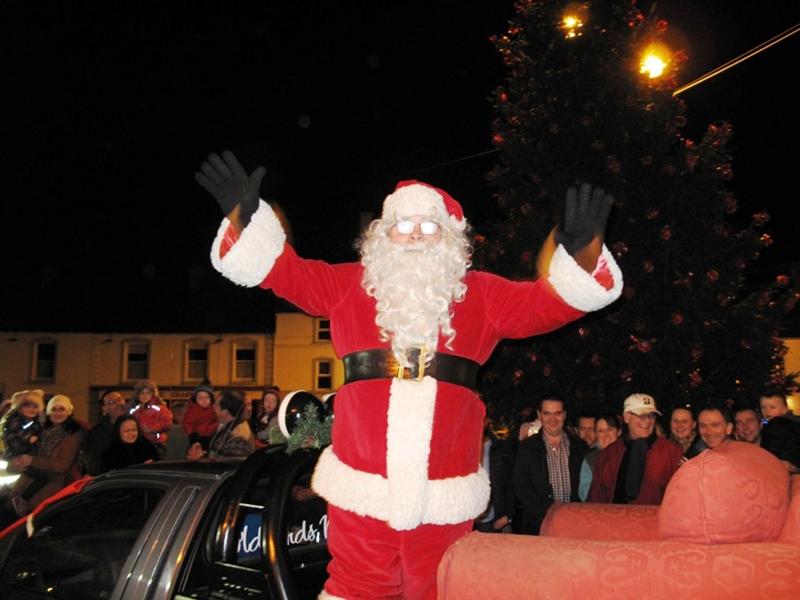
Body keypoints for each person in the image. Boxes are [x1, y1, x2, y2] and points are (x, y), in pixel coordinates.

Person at [196, 150, 622, 599]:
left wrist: (581, 257)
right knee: (355, 588)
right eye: (404, 225)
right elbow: (283, 272)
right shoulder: (349, 285)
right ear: (383, 234)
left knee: (436, 588)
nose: (416, 235)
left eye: (428, 226)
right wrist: (246, 222)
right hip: (362, 490)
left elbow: (545, 306)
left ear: (450, 239)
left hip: (445, 494)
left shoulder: (481, 295)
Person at [588, 393, 682, 505]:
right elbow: (596, 498)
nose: (647, 421)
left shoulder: (671, 452)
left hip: (654, 520)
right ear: (626, 417)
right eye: (641, 416)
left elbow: (680, 498)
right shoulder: (609, 453)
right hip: (613, 520)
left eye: (651, 415)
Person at [514, 394, 588, 534]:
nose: (552, 419)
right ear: (539, 415)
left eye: (557, 413)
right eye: (547, 414)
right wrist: (547, 514)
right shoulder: (527, 448)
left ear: (564, 415)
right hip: (539, 525)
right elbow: (521, 486)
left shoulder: (580, 447)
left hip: (575, 522)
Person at [8, 395, 85, 514]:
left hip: (49, 494)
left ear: (69, 412)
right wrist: (15, 465)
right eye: (54, 409)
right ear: (48, 412)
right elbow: (23, 450)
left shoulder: (73, 434)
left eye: (62, 409)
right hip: (23, 490)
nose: (57, 413)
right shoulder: (41, 430)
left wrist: (31, 460)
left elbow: (62, 466)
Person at [0, 390, 48, 515]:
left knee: (41, 477)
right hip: (17, 458)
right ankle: (20, 500)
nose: (31, 410)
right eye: (27, 406)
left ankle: (20, 500)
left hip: (22, 459)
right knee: (42, 477)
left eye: (35, 406)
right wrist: (28, 438)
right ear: (20, 408)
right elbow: (12, 434)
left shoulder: (32, 420)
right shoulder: (16, 420)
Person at [186, 389, 255, 459]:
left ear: (225, 412)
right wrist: (203, 454)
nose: (213, 408)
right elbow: (219, 454)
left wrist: (201, 457)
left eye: (216, 406)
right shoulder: (228, 427)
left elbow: (229, 466)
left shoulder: (239, 438)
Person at [578, 412, 621, 501]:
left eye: (610, 429)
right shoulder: (590, 460)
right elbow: (584, 493)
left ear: (619, 431)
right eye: (601, 431)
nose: (606, 435)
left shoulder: (628, 454)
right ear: (596, 434)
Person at [84, 390, 129, 475]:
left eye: (119, 400)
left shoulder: (136, 426)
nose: (118, 404)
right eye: (112, 402)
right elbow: (94, 466)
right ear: (104, 409)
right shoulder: (96, 434)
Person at [759, 391, 800, 473]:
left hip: (785, 461)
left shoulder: (779, 423)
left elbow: (774, 444)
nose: (767, 411)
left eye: (772, 407)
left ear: (784, 410)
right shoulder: (791, 422)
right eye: (763, 407)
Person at [129, 379, 173, 452]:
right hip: (140, 441)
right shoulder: (136, 410)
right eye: (142, 393)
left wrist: (153, 428)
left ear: (153, 394)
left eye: (148, 393)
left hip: (157, 442)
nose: (144, 396)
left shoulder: (159, 408)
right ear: (137, 395)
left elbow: (167, 422)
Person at [183, 384, 218, 450]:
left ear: (211, 399)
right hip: (198, 437)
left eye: (207, 397)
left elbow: (217, 422)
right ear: (195, 399)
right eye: (200, 398)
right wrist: (192, 434)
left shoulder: (214, 410)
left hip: (212, 436)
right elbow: (188, 423)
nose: (204, 400)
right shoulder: (193, 410)